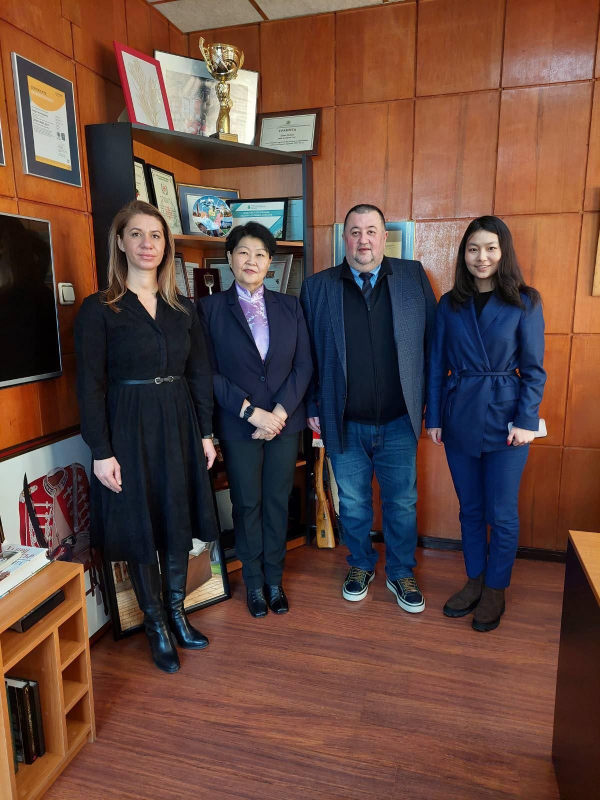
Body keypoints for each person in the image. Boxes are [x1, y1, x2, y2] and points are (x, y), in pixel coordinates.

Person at [75, 200, 219, 673]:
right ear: (120, 242)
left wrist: (206, 433)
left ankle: (177, 613)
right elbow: (89, 385)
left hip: (178, 422)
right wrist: (101, 451)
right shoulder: (99, 309)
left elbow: (199, 374)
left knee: (176, 519)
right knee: (140, 526)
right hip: (128, 427)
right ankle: (155, 624)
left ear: (166, 246)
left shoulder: (183, 309)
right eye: (136, 234)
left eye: (155, 235)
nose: (146, 244)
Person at [300, 204, 436, 612]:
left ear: (384, 237)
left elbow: (432, 344)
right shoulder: (318, 287)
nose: (364, 240)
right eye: (355, 232)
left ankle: (401, 571)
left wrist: (432, 406)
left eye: (372, 231)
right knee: (354, 503)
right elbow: (306, 355)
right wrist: (312, 404)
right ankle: (360, 564)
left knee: (402, 502)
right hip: (343, 421)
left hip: (399, 420)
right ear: (345, 238)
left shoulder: (412, 277)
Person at [426, 216, 546, 632]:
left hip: (507, 419)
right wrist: (434, 416)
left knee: (502, 511)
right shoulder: (449, 304)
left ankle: (496, 587)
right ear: (464, 254)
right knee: (471, 509)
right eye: (473, 248)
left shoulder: (525, 301)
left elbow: (534, 370)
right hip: (459, 414)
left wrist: (526, 420)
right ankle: (475, 579)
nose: (482, 257)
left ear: (503, 252)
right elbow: (436, 365)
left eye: (491, 248)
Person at [199, 222, 312, 618]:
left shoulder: (290, 306)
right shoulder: (209, 309)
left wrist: (278, 413)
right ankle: (253, 582)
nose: (252, 260)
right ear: (230, 258)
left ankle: (274, 580)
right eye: (243, 252)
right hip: (239, 424)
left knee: (277, 501)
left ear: (270, 262)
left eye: (260, 254)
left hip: (284, 423)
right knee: (247, 503)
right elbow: (208, 372)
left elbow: (304, 365)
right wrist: (251, 412)